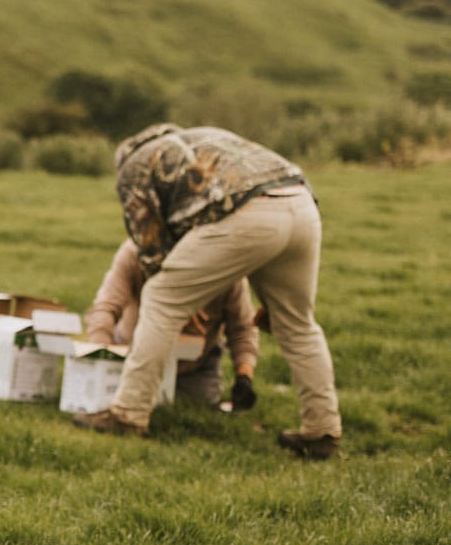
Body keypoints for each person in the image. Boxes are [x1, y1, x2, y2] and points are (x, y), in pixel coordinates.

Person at [72, 123, 342, 457]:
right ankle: (321, 430)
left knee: (161, 297)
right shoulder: (203, 137)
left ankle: (128, 413)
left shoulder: (134, 166)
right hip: (301, 204)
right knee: (298, 323)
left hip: (246, 212)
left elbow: (152, 254)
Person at [84, 239, 259, 409]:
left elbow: (242, 329)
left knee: (196, 406)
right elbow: (105, 308)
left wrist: (244, 377)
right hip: (131, 356)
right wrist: (102, 357)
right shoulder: (135, 252)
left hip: (194, 365)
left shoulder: (227, 268)